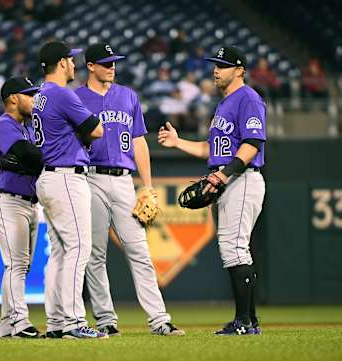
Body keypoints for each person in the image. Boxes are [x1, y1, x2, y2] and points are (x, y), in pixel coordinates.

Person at [75, 43, 185, 337]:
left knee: (139, 250)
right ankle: (105, 320)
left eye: (114, 63)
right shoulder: (76, 98)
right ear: (90, 66)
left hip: (124, 180)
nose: (112, 67)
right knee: (95, 254)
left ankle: (160, 320)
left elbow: (138, 142)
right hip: (91, 178)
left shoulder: (127, 95)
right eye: (106, 63)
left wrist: (147, 186)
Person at [158, 46, 266, 336]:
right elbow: (211, 149)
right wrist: (179, 142)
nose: (216, 70)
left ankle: (245, 322)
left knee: (234, 248)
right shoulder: (223, 103)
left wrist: (224, 175)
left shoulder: (248, 98)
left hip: (242, 178)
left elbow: (252, 143)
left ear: (240, 70)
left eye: (223, 65)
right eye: (215, 65)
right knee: (231, 248)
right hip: (229, 179)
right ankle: (248, 321)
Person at [32, 41, 106, 339]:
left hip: (47, 177)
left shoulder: (39, 95)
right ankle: (74, 322)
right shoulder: (61, 93)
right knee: (78, 248)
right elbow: (97, 129)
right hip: (65, 176)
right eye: (70, 59)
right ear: (61, 63)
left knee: (60, 253)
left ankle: (56, 322)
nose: (73, 64)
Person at [0, 76, 44, 338]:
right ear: (13, 98)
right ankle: (20, 323)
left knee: (20, 266)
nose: (34, 99)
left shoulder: (30, 128)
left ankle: (6, 325)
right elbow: (30, 155)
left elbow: (33, 159)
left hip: (30, 203)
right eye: (29, 94)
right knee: (16, 265)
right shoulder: (3, 124)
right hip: (8, 200)